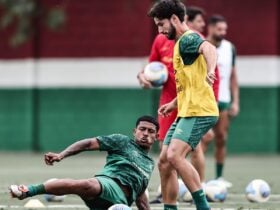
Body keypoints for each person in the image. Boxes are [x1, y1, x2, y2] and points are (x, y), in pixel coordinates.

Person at [148, 1, 219, 210]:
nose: (160, 31)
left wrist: (211, 69)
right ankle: (170, 208)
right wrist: (173, 103)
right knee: (164, 161)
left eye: (161, 24)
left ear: (174, 19)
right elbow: (191, 84)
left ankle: (203, 207)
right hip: (187, 110)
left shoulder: (188, 39)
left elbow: (209, 47)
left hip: (201, 111)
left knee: (174, 156)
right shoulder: (180, 44)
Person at [9, 115, 159, 210]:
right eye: (142, 129)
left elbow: (140, 196)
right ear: (135, 131)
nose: (145, 134)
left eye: (150, 131)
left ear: (157, 136)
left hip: (120, 203)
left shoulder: (150, 164)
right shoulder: (122, 141)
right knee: (86, 185)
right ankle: (28, 191)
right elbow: (88, 144)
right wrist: (61, 155)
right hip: (107, 185)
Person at [203, 15, 239, 186]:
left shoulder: (229, 48)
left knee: (221, 138)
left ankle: (218, 177)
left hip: (223, 100)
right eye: (219, 29)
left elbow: (233, 76)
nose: (223, 33)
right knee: (201, 140)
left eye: (225, 29)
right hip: (203, 100)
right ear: (210, 28)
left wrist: (235, 101)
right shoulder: (201, 45)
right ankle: (197, 179)